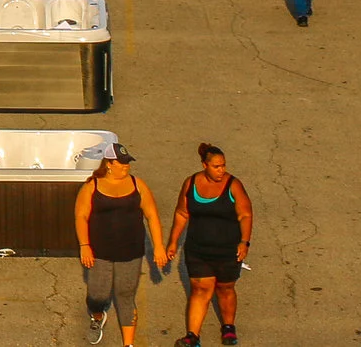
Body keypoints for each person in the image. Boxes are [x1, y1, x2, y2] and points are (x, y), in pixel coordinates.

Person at [75, 143, 163, 347]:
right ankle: (97, 316)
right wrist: (84, 245)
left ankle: (128, 344)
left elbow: (152, 215)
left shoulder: (137, 184)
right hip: (100, 252)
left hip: (130, 252)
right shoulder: (92, 186)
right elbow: (81, 216)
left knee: (125, 295)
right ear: (109, 164)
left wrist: (158, 247)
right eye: (121, 163)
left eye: (127, 163)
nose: (126, 167)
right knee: (98, 294)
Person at [165, 143, 252, 347]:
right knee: (200, 290)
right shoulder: (191, 183)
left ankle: (228, 327)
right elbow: (182, 213)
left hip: (227, 249)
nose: (221, 170)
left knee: (225, 288)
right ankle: (192, 336)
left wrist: (244, 242)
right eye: (216, 167)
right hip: (198, 249)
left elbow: (245, 214)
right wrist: (172, 242)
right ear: (204, 165)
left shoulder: (233, 185)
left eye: (223, 166)